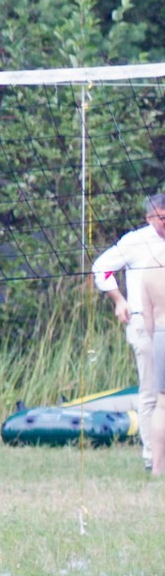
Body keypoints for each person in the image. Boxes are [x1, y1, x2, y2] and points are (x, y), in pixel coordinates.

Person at [93, 192, 165, 476]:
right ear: (150, 217)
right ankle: (152, 457)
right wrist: (119, 300)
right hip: (144, 323)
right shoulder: (135, 241)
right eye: (161, 218)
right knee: (152, 394)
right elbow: (101, 268)